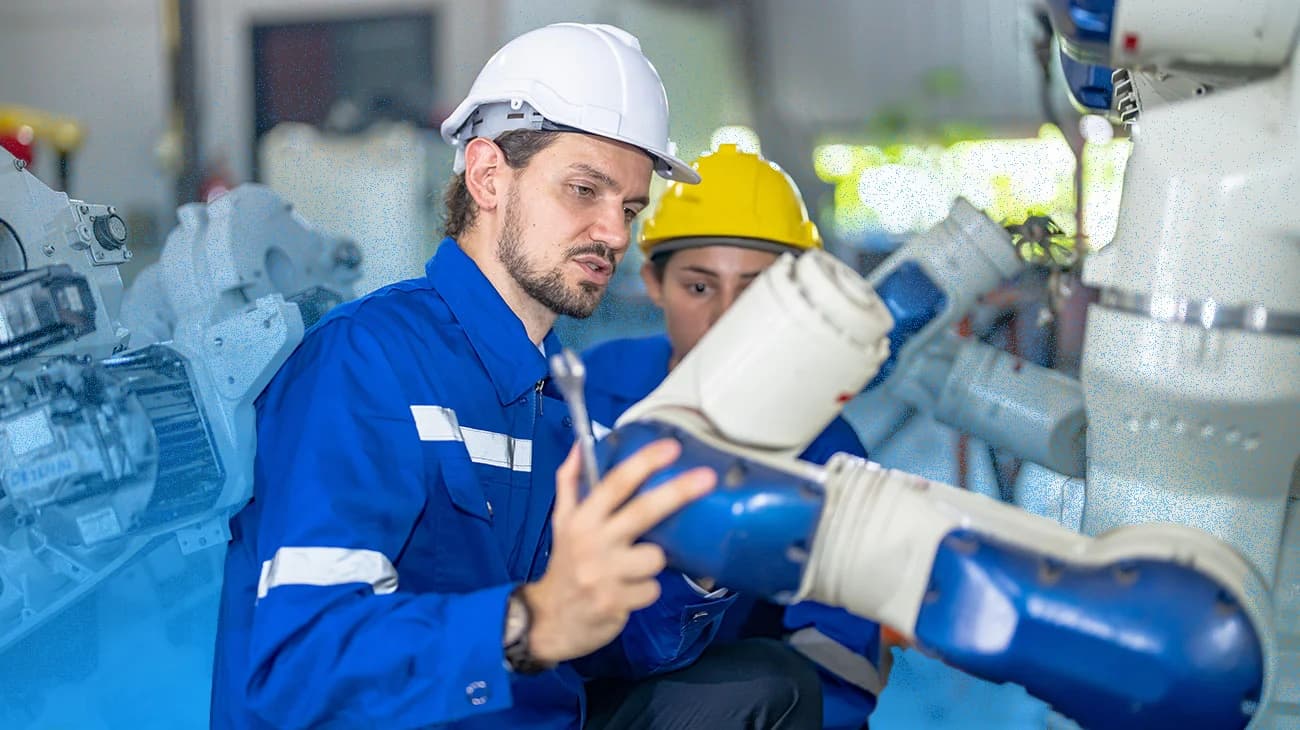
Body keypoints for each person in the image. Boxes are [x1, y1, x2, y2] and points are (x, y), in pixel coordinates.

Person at [210, 23, 821, 729]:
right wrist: (531, 620)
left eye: (628, 208)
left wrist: (702, 558)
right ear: (487, 176)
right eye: (584, 190)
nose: (616, 234)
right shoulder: (366, 365)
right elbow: (299, 668)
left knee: (772, 684)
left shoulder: (557, 396)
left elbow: (611, 639)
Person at [583, 145, 886, 730]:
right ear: (653, 282)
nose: (727, 318)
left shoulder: (829, 452)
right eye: (700, 288)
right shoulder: (588, 392)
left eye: (756, 292)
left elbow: (835, 666)